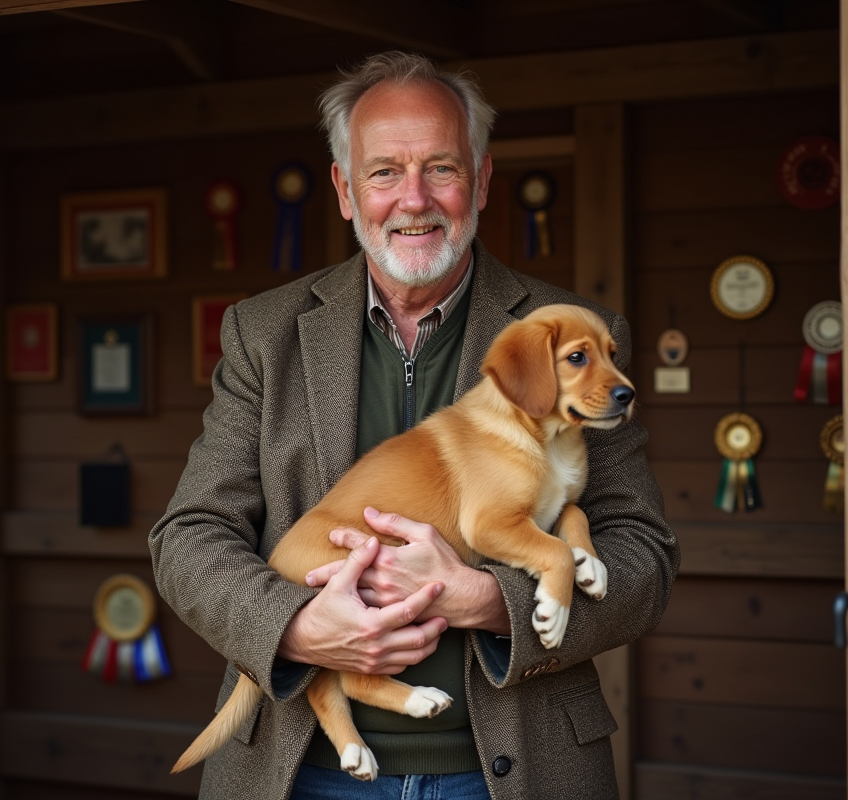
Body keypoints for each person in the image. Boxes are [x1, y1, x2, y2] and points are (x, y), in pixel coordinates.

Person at [149, 51, 679, 800]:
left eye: (441, 168)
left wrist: (489, 599)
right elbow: (189, 535)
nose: (414, 199)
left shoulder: (574, 336)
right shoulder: (263, 335)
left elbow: (642, 556)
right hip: (302, 771)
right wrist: (297, 626)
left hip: (512, 770)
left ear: (482, 181)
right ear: (345, 190)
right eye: (384, 172)